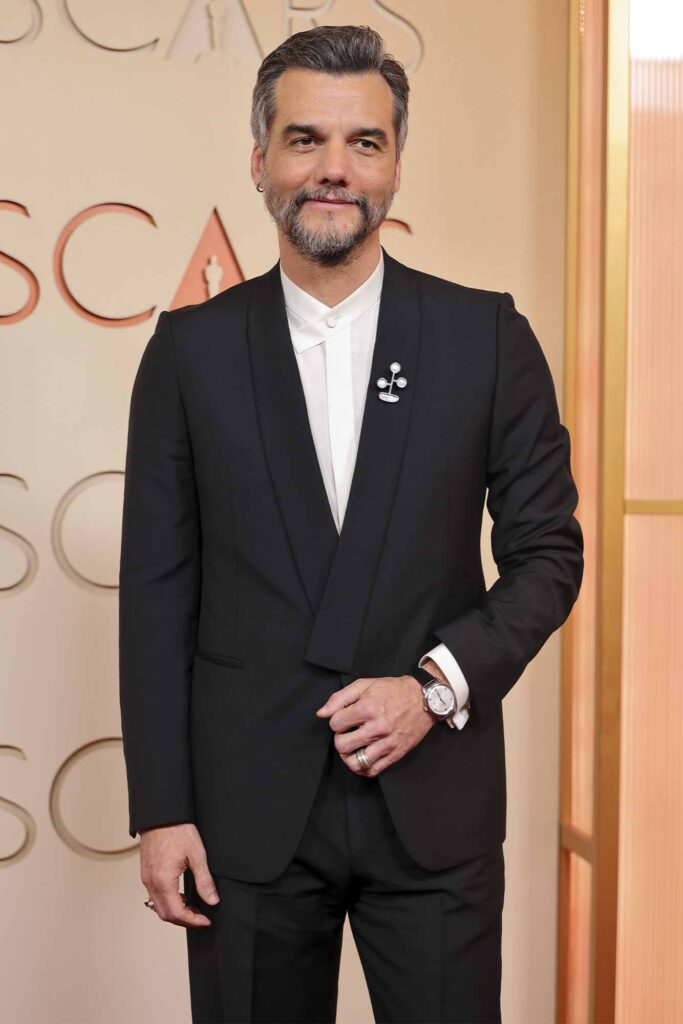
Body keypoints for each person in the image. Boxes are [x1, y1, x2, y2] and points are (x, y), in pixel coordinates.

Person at [118, 24, 584, 1024]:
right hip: (244, 817)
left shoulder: (484, 337)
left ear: (395, 166)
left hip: (435, 806)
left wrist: (435, 685)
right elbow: (156, 593)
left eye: (363, 142)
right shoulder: (189, 353)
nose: (334, 168)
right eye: (305, 139)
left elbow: (547, 553)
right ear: (259, 160)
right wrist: (161, 809)